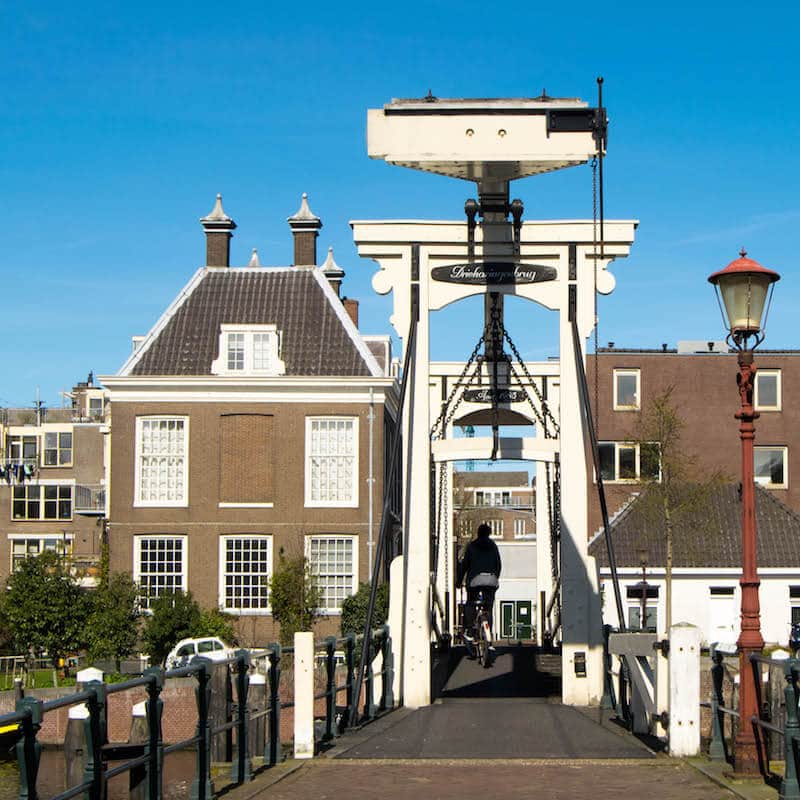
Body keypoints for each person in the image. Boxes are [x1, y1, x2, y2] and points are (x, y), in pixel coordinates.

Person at [457, 522, 502, 643]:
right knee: (488, 607)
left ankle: (470, 631)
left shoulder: (472, 546)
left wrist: (458, 581)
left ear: (478, 533)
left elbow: (465, 566)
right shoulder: (493, 546)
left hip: (475, 580)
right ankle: (489, 636)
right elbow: (498, 565)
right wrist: (495, 578)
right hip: (491, 580)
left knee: (471, 603)